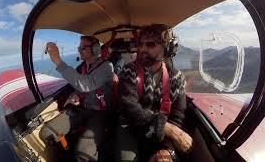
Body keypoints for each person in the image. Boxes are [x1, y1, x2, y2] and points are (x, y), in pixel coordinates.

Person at [115, 24, 192, 162]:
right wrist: (166, 128)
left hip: (158, 133)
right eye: (140, 44)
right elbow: (130, 109)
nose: (142, 49)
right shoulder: (128, 71)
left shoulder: (177, 78)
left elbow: (177, 117)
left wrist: (167, 149)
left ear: (167, 48)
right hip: (129, 126)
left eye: (150, 44)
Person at [44, 35, 114, 162]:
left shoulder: (107, 67)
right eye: (79, 47)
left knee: (83, 153)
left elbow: (86, 84)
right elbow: (78, 87)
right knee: (47, 133)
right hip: (82, 108)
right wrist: (74, 96)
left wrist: (58, 61)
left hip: (101, 112)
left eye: (83, 47)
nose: (79, 50)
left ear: (95, 49)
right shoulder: (82, 68)